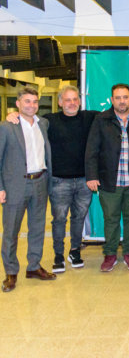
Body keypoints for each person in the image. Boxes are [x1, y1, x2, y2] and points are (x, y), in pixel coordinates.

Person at [5, 86, 129, 273]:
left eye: (75, 99)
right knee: (59, 219)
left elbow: (118, 109)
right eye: (67, 100)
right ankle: (58, 255)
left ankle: (75, 251)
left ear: (80, 101)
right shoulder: (48, 121)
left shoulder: (91, 118)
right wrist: (12, 115)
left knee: (79, 218)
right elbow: (27, 117)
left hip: (83, 180)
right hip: (58, 181)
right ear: (60, 102)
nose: (72, 103)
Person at [0, 87, 55, 292]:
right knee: (11, 231)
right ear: (18, 104)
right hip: (15, 185)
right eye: (27, 101)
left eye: (34, 102)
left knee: (37, 228)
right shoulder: (7, 127)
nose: (31, 105)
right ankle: (11, 272)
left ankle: (33, 267)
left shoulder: (43, 124)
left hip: (40, 181)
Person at [85, 84, 129, 272]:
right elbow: (92, 149)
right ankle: (109, 254)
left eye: (125, 97)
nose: (122, 101)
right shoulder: (101, 119)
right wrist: (92, 175)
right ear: (112, 99)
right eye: (118, 97)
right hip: (110, 181)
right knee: (111, 219)